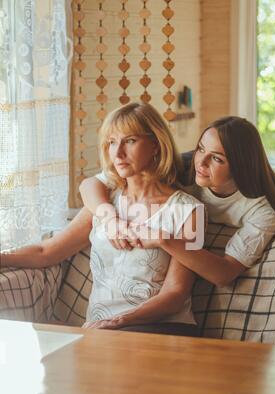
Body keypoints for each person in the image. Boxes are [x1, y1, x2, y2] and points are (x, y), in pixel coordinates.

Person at [0, 102, 204, 335]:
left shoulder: (189, 210)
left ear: (156, 145)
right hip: (102, 333)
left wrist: (119, 321)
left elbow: (175, 295)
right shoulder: (105, 202)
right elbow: (46, 252)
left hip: (161, 329)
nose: (117, 153)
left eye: (130, 141)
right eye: (111, 142)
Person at [80, 115, 275, 288]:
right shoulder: (184, 167)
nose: (201, 162)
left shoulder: (263, 208)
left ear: (240, 165)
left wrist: (163, 239)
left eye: (216, 158)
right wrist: (109, 218)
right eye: (201, 148)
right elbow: (91, 184)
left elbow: (224, 273)